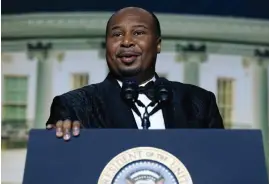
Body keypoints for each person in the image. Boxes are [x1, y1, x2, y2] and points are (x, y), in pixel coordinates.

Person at [46, 7, 224, 141]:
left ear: (158, 44)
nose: (126, 41)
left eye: (138, 33)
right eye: (117, 34)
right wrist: (60, 140)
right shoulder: (73, 106)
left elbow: (218, 163)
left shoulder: (199, 101)